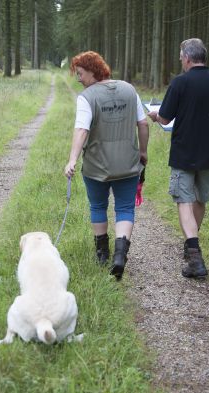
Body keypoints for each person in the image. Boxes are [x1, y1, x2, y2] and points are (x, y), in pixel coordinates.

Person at [147, 38, 209, 279]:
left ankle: (194, 254)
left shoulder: (180, 83)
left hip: (183, 153)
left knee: (184, 201)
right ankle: (192, 246)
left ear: (188, 58)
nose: (180, 60)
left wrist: (155, 116)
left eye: (180, 57)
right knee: (200, 200)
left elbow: (166, 120)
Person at [64, 51, 149, 280]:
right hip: (128, 164)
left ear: (93, 71)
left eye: (80, 74)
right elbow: (142, 124)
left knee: (98, 206)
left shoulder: (87, 97)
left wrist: (72, 159)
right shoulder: (129, 90)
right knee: (124, 208)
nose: (78, 79)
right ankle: (120, 256)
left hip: (96, 167)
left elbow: (82, 129)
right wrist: (142, 152)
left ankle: (102, 255)